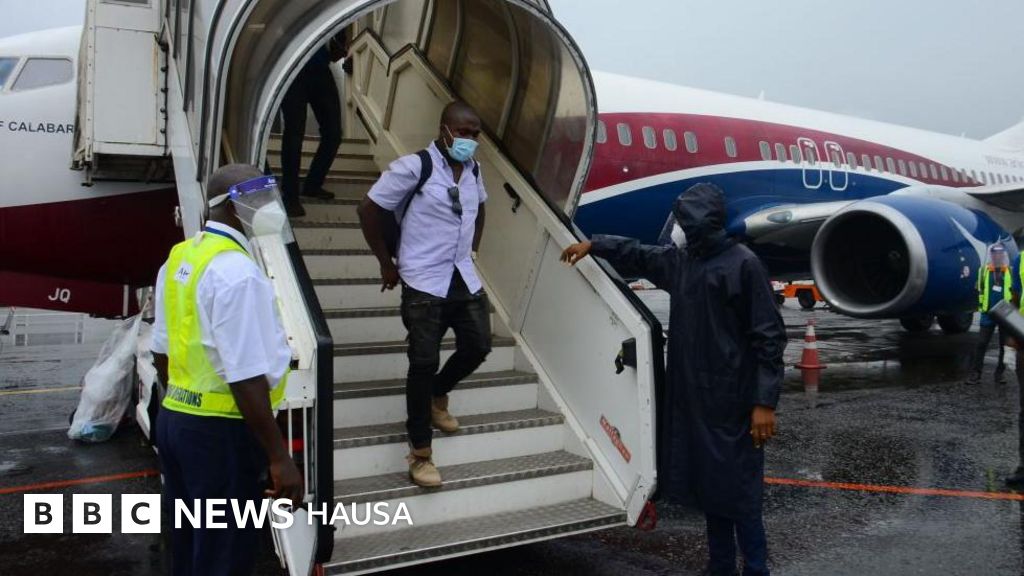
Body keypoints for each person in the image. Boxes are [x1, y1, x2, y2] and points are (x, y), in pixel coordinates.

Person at [561, 183, 785, 576]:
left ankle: (755, 568)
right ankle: (720, 567)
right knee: (713, 489)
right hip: (696, 401)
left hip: (733, 402)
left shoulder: (743, 265)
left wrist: (763, 402)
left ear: (696, 223)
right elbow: (638, 253)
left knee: (741, 493)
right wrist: (595, 244)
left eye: (682, 221)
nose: (677, 229)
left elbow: (769, 337)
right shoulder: (683, 263)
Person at [151, 164, 303, 575]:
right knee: (224, 554)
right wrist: (278, 456)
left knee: (189, 545)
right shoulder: (238, 273)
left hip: (177, 421)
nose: (270, 207)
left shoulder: (180, 258)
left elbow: (161, 350)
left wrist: (181, 402)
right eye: (261, 198)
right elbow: (245, 374)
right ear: (235, 206)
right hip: (222, 436)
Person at [357, 101, 491, 487]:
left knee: (478, 345)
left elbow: (480, 208)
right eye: (463, 132)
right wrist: (386, 263)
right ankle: (420, 454)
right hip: (422, 279)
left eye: (475, 134)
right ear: (444, 129)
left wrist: (473, 249)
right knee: (423, 362)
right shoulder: (414, 167)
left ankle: (437, 395)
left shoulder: (473, 169)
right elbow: (368, 210)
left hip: (461, 275)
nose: (469, 140)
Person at [279, 32, 348, 217]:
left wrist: (340, 43)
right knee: (294, 134)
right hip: (291, 69)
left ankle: (313, 185)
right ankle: (290, 196)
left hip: (320, 68)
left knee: (333, 133)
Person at [967, 243, 1012, 385]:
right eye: (995, 253)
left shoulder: (1009, 271)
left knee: (1004, 346)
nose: (997, 256)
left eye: (1000, 253)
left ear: (1003, 255)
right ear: (991, 255)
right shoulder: (983, 271)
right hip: (988, 312)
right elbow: (979, 289)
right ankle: (976, 373)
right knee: (981, 343)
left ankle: (999, 374)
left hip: (1004, 313)